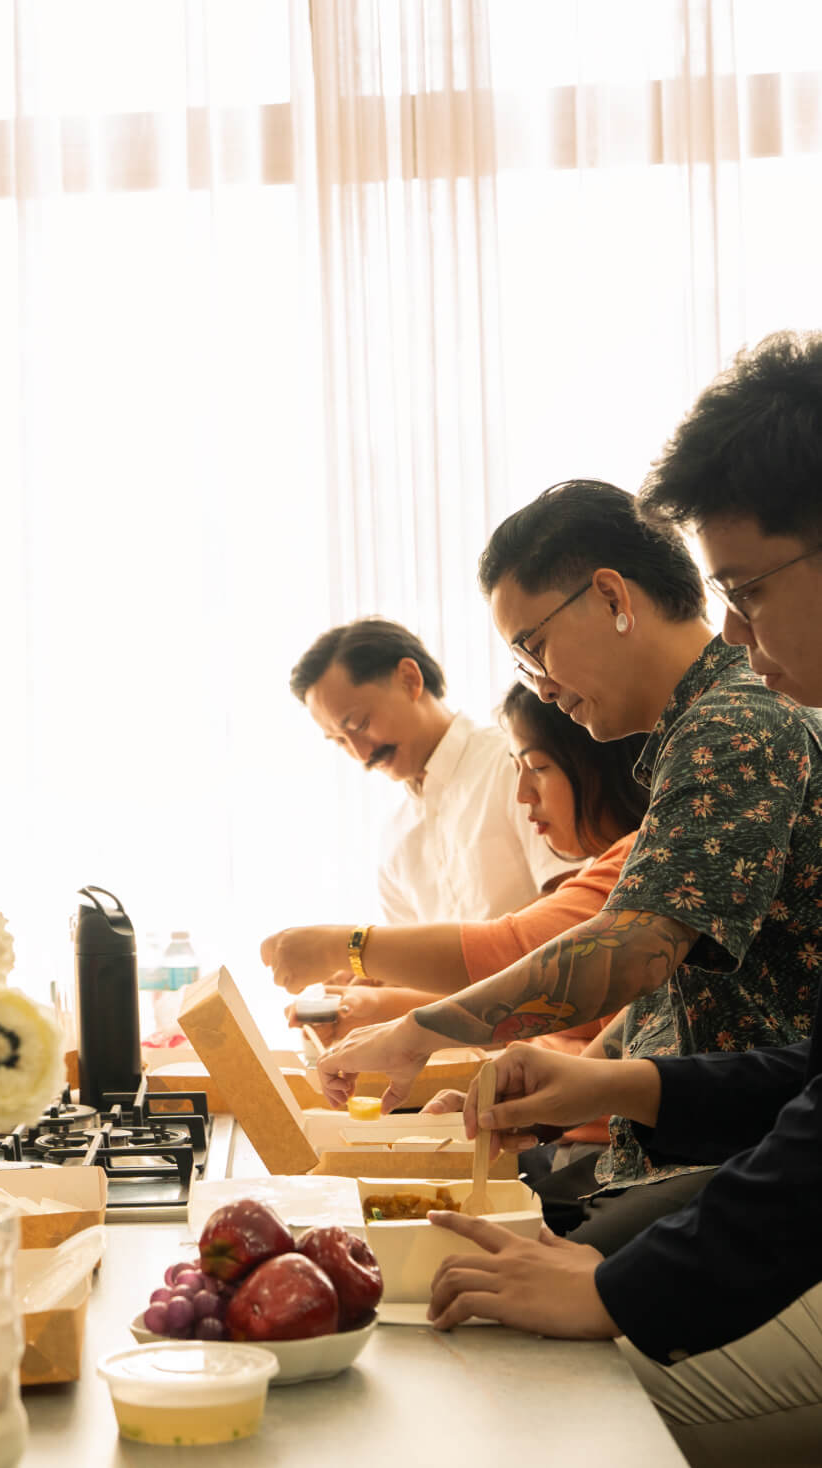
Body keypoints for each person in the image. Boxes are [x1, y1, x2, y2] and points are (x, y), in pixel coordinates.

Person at [424, 331, 822, 1465]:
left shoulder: (736, 720)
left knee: (552, 1408)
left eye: (748, 589)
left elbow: (630, 945)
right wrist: (617, 1080)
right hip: (768, 1164)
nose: (739, 631)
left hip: (786, 1193)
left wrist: (624, 1294)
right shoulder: (717, 724)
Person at [314, 480, 821, 1255]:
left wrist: (418, 1029)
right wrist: (558, 1085)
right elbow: (679, 986)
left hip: (757, 1161)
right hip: (696, 1138)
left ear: (613, 596)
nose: (539, 684)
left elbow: (630, 951)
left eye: (532, 647)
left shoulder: (733, 724)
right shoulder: (701, 725)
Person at [264, 681, 648, 1042]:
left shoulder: (636, 865)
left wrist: (345, 946)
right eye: (338, 740)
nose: (523, 794)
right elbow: (520, 1006)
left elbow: (521, 952)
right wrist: (378, 1002)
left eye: (360, 723)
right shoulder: (394, 830)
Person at [290, 618, 573, 934]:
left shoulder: (514, 765)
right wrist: (370, 974)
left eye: (359, 725)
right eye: (340, 741)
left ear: (409, 679)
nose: (360, 754)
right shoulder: (394, 840)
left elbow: (571, 898)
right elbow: (414, 968)